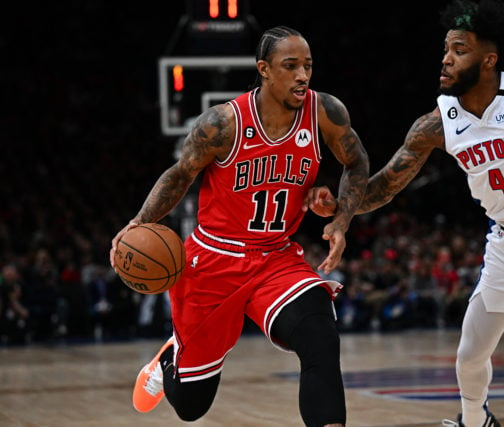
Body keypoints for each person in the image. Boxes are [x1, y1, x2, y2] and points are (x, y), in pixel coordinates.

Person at [304, 1, 504, 426]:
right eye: (445, 50)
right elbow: (385, 185)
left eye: (459, 50)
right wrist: (342, 207)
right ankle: (476, 422)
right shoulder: (438, 123)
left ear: (488, 60)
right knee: (470, 356)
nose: (446, 59)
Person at [110, 26, 369, 427]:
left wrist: (341, 218)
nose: (303, 75)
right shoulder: (222, 123)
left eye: (308, 66)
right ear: (264, 69)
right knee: (192, 407)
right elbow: (179, 176)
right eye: (291, 66)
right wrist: (139, 223)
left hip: (275, 258)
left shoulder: (324, 112)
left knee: (320, 335)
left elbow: (357, 162)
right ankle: (168, 361)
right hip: (213, 260)